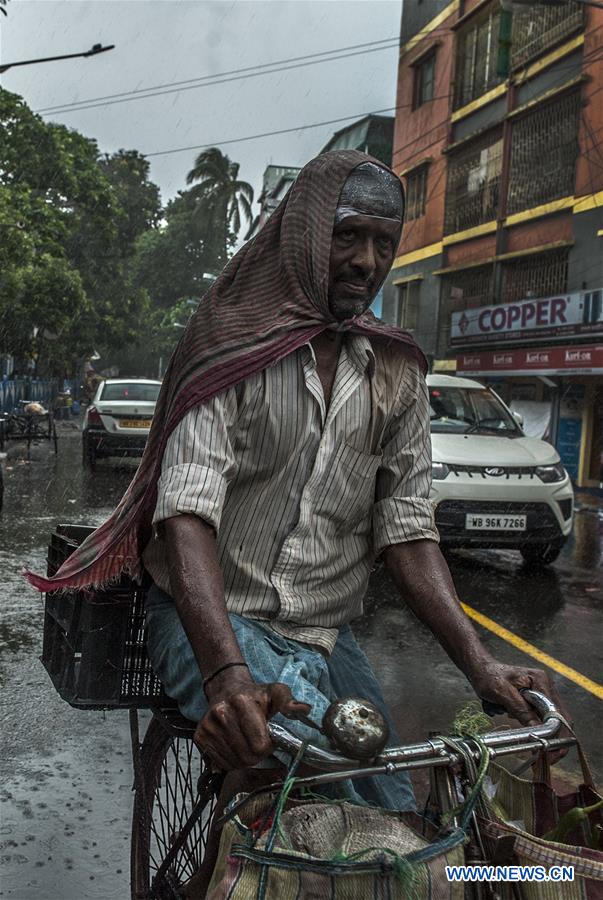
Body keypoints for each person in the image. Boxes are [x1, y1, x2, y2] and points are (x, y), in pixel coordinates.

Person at [27, 150, 563, 891]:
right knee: (297, 788)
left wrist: (481, 666)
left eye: (383, 241)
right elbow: (185, 514)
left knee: (396, 822)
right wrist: (228, 676)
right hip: (209, 617)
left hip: (324, 631)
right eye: (347, 236)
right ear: (307, 232)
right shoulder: (227, 345)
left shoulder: (398, 370)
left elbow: (408, 531)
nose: (366, 260)